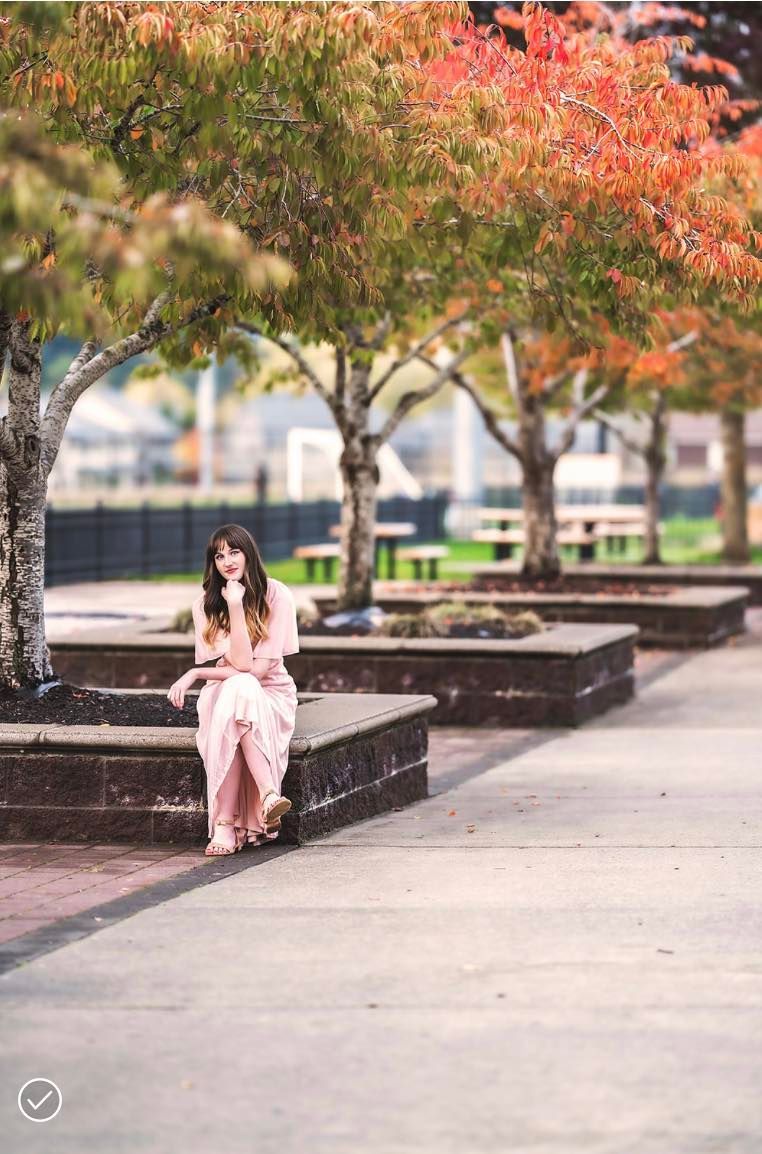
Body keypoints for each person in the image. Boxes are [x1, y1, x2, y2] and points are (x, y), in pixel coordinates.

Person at [167, 523, 299, 856]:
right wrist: (232, 606)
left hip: (270, 693)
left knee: (242, 688)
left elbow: (257, 669)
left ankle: (225, 826)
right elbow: (240, 667)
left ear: (248, 554)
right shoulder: (205, 607)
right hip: (223, 692)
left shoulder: (276, 594)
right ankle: (268, 794)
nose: (227, 561)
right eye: (219, 555)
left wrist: (197, 672)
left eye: (234, 552)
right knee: (238, 690)